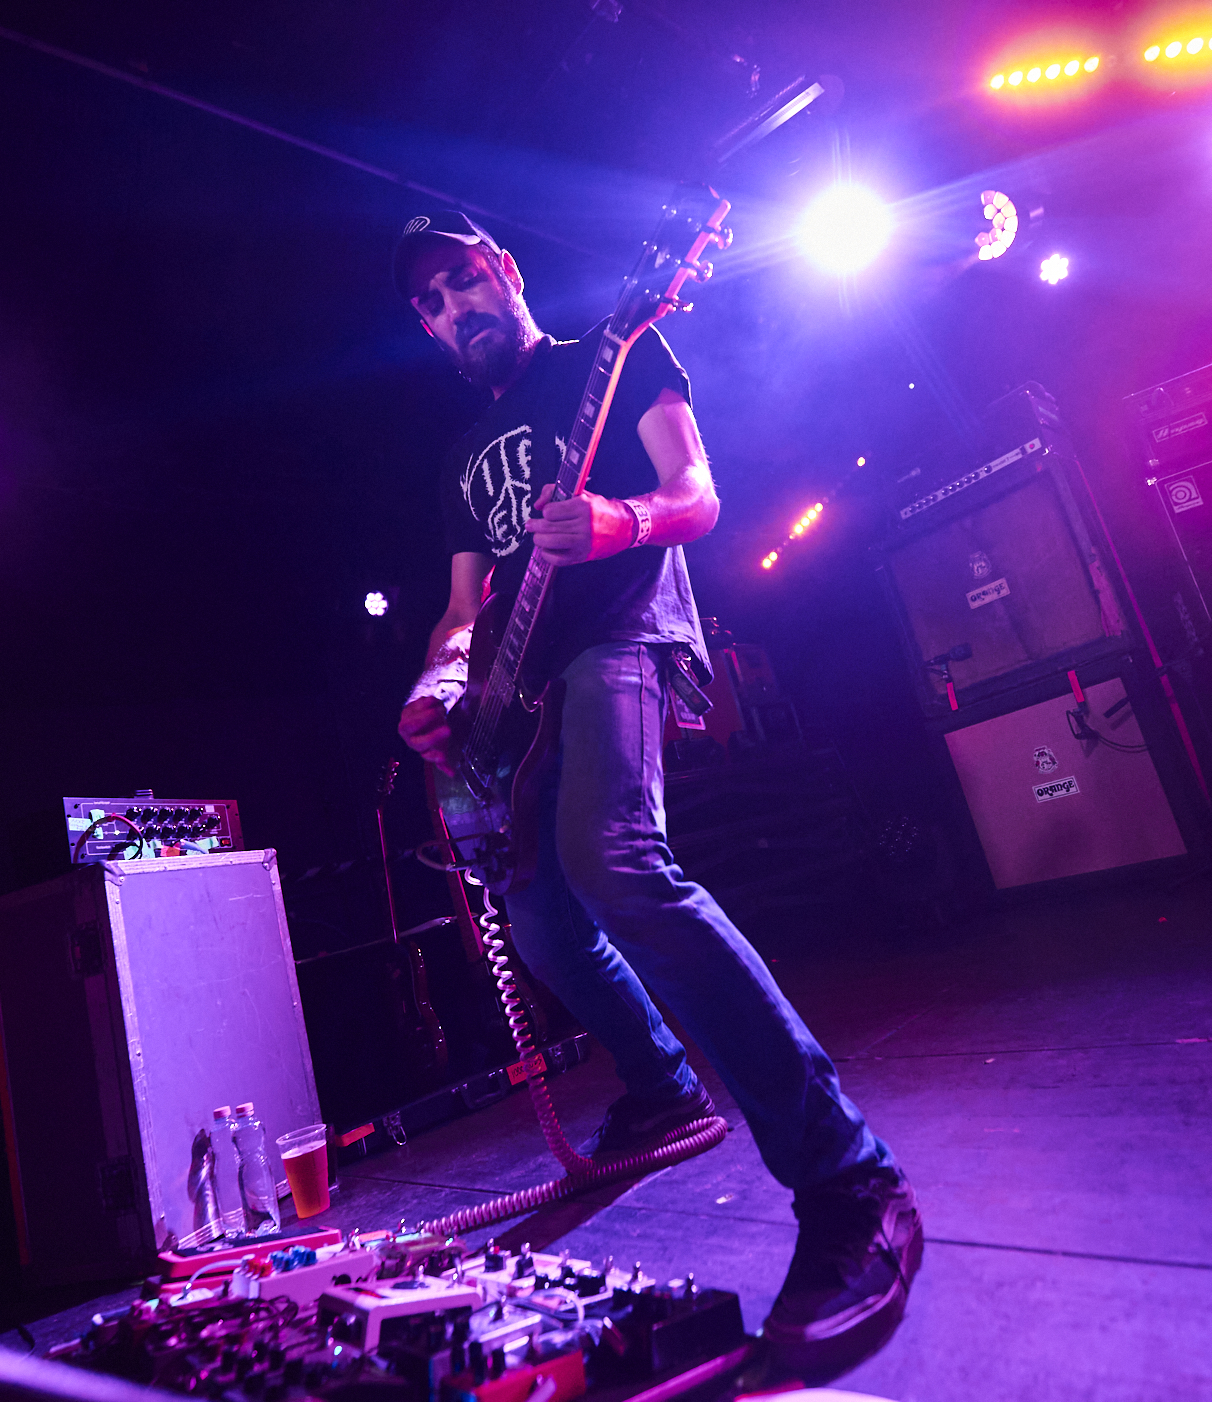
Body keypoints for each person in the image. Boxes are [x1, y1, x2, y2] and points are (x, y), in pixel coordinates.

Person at [390, 210, 922, 1377]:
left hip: (624, 631)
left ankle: (850, 1178)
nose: (451, 310)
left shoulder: (613, 350)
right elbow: (462, 613)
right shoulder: (459, 457)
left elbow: (697, 492)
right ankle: (662, 1087)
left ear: (505, 268)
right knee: (538, 917)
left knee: (613, 857)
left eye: (463, 281)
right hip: (520, 688)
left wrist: (618, 520)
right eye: (428, 304)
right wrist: (440, 676)